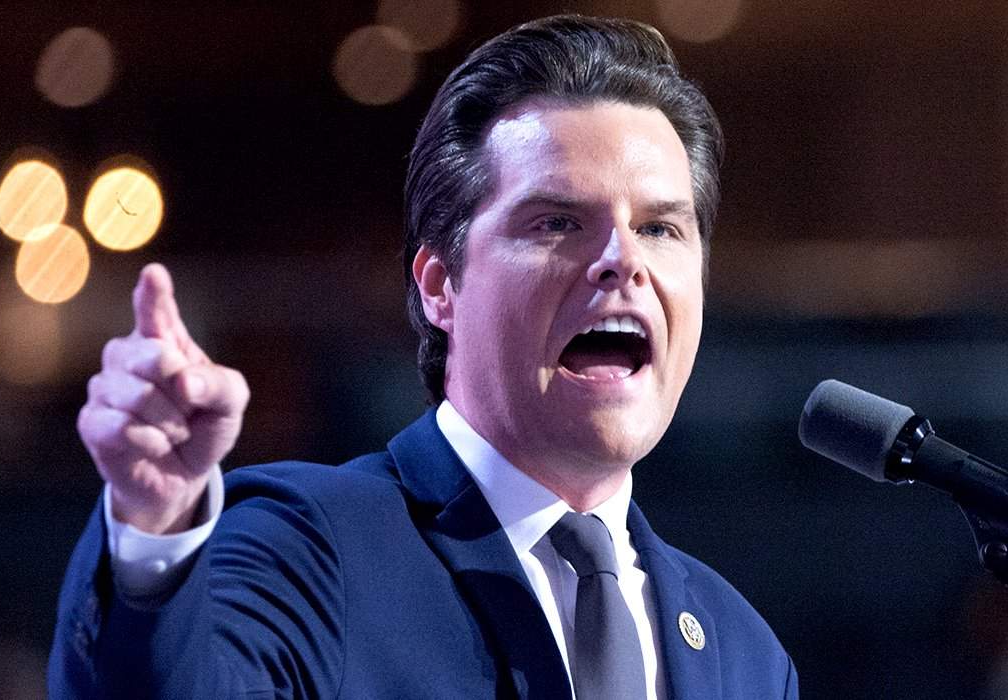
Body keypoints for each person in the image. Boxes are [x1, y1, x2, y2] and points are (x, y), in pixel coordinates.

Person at [48, 14, 798, 699]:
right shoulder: (310, 549)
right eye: (558, 222)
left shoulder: (743, 654)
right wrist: (155, 524)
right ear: (441, 285)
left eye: (661, 229)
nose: (621, 260)